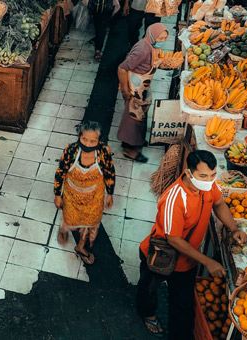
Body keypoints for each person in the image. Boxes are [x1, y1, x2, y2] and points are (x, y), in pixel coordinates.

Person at [136, 150, 247, 338]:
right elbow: (174, 239)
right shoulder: (175, 199)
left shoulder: (209, 187)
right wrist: (208, 261)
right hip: (160, 255)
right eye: (203, 176)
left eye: (212, 175)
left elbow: (219, 203)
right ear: (189, 173)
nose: (209, 180)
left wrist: (233, 228)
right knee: (148, 290)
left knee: (183, 306)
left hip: (187, 261)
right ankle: (148, 314)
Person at [54, 121, 116, 265]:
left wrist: (110, 194)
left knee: (89, 222)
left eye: (93, 141)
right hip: (71, 195)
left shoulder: (104, 152)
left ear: (99, 141)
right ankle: (65, 227)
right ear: (79, 136)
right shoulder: (70, 150)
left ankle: (81, 247)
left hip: (94, 196)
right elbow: (60, 172)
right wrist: (58, 195)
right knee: (70, 217)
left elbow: (109, 173)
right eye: (84, 139)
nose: (88, 144)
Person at [116, 23, 167, 163]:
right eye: (160, 37)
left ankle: (136, 140)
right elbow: (122, 68)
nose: (162, 41)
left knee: (140, 114)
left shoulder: (151, 45)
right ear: (151, 35)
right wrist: (125, 90)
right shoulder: (142, 49)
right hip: (133, 87)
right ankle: (128, 148)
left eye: (164, 38)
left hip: (142, 87)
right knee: (132, 118)